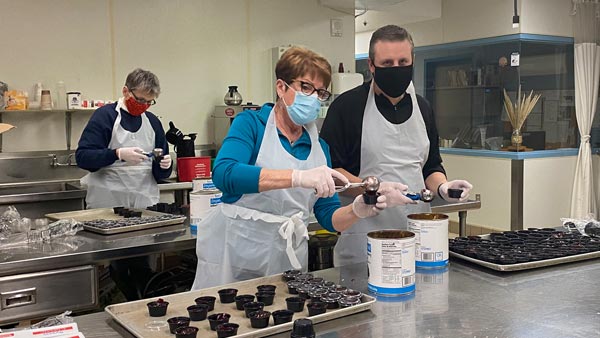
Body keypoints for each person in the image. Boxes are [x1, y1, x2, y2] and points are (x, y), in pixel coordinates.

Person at [192, 46, 408, 290]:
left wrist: (356, 211)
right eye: (305, 87)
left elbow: (328, 215)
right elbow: (225, 173)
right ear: (281, 87)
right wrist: (297, 177)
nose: (313, 98)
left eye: (320, 92)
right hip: (234, 256)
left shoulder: (319, 147)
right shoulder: (252, 124)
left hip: (287, 257)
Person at [320, 25, 473, 267]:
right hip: (364, 242)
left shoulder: (423, 108)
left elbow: (430, 166)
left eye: (403, 62)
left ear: (412, 60)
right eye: (387, 63)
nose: (396, 69)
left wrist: (443, 187)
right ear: (371, 65)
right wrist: (373, 191)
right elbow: (331, 172)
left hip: (419, 237)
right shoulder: (347, 107)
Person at [76, 68, 172, 300]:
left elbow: (159, 173)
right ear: (125, 91)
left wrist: (165, 165)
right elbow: (84, 157)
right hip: (109, 206)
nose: (144, 106)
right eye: (140, 99)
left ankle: (141, 302)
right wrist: (117, 153)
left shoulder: (152, 123)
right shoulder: (105, 117)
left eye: (150, 102)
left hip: (144, 206)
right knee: (117, 263)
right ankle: (116, 302)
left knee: (141, 261)